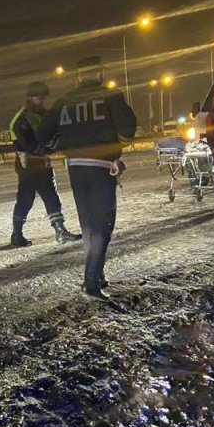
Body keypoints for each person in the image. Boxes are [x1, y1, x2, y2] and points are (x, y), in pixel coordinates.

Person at [36, 56, 137, 301]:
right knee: (103, 225)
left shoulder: (64, 102)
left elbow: (43, 135)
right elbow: (127, 130)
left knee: (89, 224)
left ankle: (97, 273)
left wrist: (66, 145)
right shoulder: (112, 97)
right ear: (100, 74)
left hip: (75, 166)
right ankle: (91, 282)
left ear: (78, 77)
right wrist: (113, 146)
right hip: (102, 165)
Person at [8, 81, 82, 247]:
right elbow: (26, 142)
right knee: (25, 200)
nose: (41, 100)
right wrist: (47, 149)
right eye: (37, 97)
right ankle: (17, 234)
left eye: (42, 97)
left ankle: (60, 230)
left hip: (42, 164)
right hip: (28, 165)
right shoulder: (21, 118)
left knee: (51, 198)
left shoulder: (43, 114)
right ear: (30, 97)